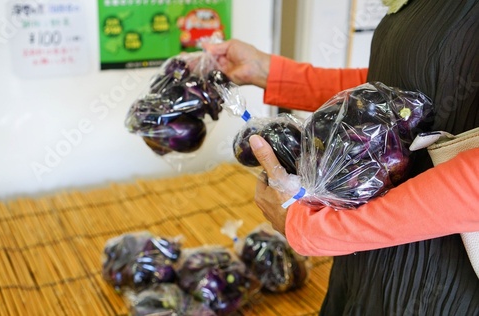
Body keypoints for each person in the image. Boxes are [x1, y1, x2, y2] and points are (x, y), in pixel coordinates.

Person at [204, 0, 479, 315]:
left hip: (438, 282)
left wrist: (315, 231)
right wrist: (270, 72)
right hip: (363, 256)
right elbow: (396, 90)